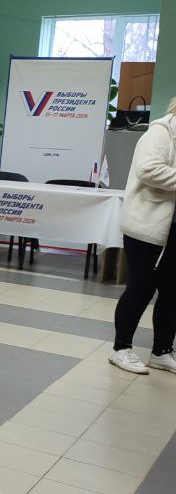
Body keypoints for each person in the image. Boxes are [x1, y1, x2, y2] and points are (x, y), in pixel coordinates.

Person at [109, 99, 176, 374]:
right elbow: (148, 170)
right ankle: (121, 349)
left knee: (172, 292)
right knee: (141, 288)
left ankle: (161, 351)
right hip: (147, 227)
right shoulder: (162, 131)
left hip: (172, 230)